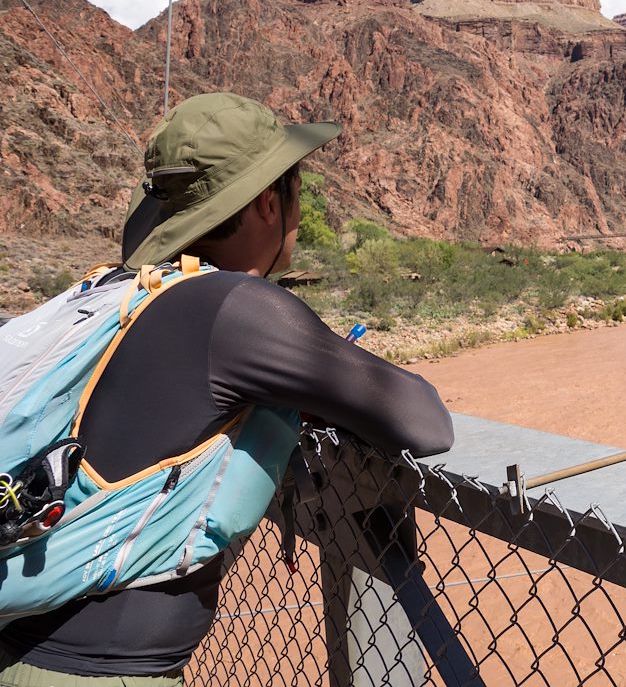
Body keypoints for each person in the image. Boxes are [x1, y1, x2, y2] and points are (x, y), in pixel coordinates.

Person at [0, 92, 454, 686]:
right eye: (295, 193)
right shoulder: (238, 307)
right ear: (270, 202)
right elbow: (425, 420)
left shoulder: (122, 292)